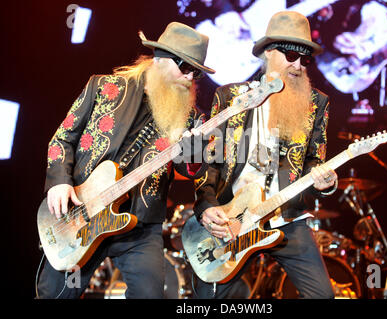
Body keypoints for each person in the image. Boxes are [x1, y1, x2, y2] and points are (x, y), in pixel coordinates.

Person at [36, 22, 214, 299]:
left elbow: (189, 170)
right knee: (54, 295)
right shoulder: (104, 87)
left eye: (196, 73)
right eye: (185, 67)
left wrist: (194, 153)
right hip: (81, 215)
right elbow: (62, 139)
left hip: (139, 227)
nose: (190, 77)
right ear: (162, 58)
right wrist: (59, 182)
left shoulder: (190, 118)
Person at [193, 11, 338, 299]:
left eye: (305, 59)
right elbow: (209, 163)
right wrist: (206, 206)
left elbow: (314, 161)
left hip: (286, 217)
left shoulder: (317, 103)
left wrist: (326, 182)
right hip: (232, 217)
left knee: (323, 296)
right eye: (290, 54)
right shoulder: (230, 97)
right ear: (268, 52)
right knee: (212, 299)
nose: (298, 65)